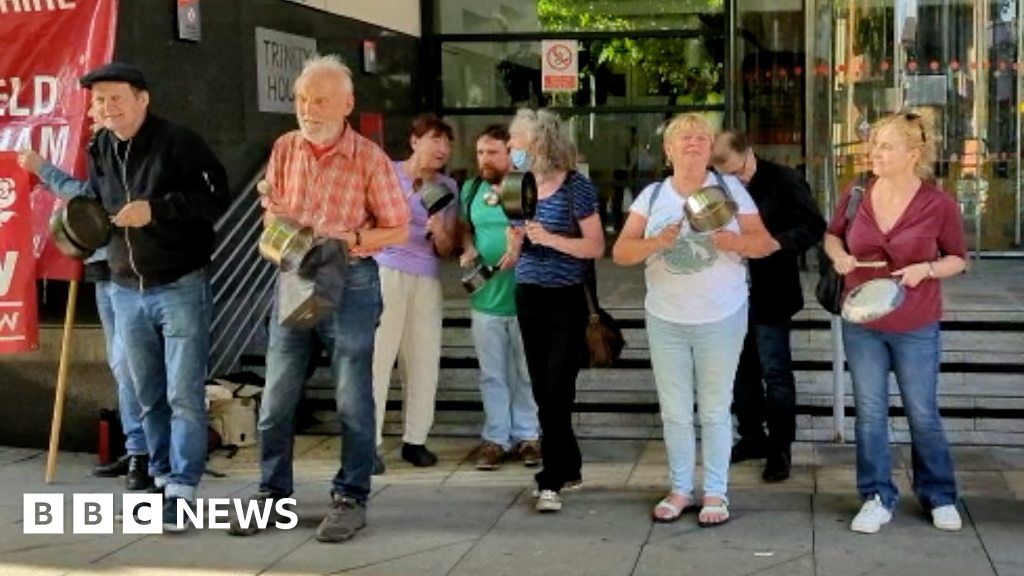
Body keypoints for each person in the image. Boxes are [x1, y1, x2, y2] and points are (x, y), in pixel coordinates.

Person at [229, 55, 409, 543]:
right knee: (276, 397)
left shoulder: (370, 158)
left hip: (350, 280)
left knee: (352, 397)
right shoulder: (286, 147)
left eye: (320, 100)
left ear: (347, 104)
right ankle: (272, 495)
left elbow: (398, 227)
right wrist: (278, 234)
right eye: (302, 100)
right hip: (294, 276)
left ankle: (351, 496)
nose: (308, 109)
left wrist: (346, 239)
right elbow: (273, 209)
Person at [78, 61, 230, 530]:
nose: (106, 108)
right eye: (99, 100)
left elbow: (214, 199)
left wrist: (158, 211)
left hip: (180, 283)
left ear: (143, 98)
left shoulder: (179, 142)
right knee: (146, 393)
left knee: (184, 394)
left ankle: (183, 486)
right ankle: (162, 476)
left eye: (116, 98)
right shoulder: (99, 146)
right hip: (125, 288)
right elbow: (97, 203)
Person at [612, 113, 775, 527]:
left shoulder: (730, 188)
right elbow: (620, 253)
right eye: (683, 138)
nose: (693, 144)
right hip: (666, 316)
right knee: (675, 411)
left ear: (710, 148)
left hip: (722, 314)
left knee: (716, 410)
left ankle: (716, 493)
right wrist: (656, 241)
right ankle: (681, 487)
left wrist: (731, 241)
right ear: (668, 149)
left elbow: (765, 243)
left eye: (701, 138)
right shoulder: (651, 196)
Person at [823, 111, 966, 534]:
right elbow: (832, 234)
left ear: (913, 154)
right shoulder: (857, 192)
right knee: (869, 412)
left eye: (885, 145)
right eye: (873, 144)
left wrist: (927, 270)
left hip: (916, 322)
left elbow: (957, 258)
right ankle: (876, 496)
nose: (875, 152)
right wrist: (839, 256)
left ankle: (939, 495)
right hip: (861, 319)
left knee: (921, 412)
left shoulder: (938, 204)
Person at [18, 118, 152, 491]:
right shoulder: (97, 147)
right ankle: (138, 446)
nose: (98, 110)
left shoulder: (123, 151)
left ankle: (146, 451)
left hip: (123, 265)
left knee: (130, 363)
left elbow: (92, 200)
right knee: (120, 362)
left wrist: (42, 169)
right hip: (102, 265)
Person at [712, 131, 827, 482]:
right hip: (728, 293)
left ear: (749, 152)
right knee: (739, 373)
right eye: (724, 174)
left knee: (774, 372)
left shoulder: (784, 179)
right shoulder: (715, 185)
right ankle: (751, 436)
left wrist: (776, 243)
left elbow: (814, 226)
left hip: (772, 289)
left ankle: (780, 448)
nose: (733, 178)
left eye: (736, 169)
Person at [505, 108, 604, 513]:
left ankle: (551, 479)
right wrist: (515, 246)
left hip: (567, 299)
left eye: (517, 140)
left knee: (556, 389)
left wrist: (549, 238)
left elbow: (596, 247)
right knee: (544, 387)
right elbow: (516, 252)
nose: (512, 147)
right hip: (529, 294)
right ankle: (571, 467)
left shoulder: (576, 188)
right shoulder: (518, 185)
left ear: (540, 143)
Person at [371, 113, 459, 469]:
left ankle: (415, 439)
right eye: (435, 139)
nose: (442, 149)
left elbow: (447, 247)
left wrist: (439, 231)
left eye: (447, 143)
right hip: (386, 271)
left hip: (427, 278)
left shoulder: (449, 188)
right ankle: (369, 443)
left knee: (423, 359)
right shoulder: (386, 173)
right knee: (377, 359)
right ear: (414, 141)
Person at [459, 124, 540, 471]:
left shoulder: (526, 186)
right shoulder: (471, 188)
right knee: (492, 373)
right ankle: (495, 438)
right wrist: (467, 248)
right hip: (485, 297)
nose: (484, 159)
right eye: (480, 152)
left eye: (492, 152)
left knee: (525, 371)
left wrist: (520, 244)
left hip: (523, 296)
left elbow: (544, 232)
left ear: (510, 154)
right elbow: (465, 227)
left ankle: (527, 436)